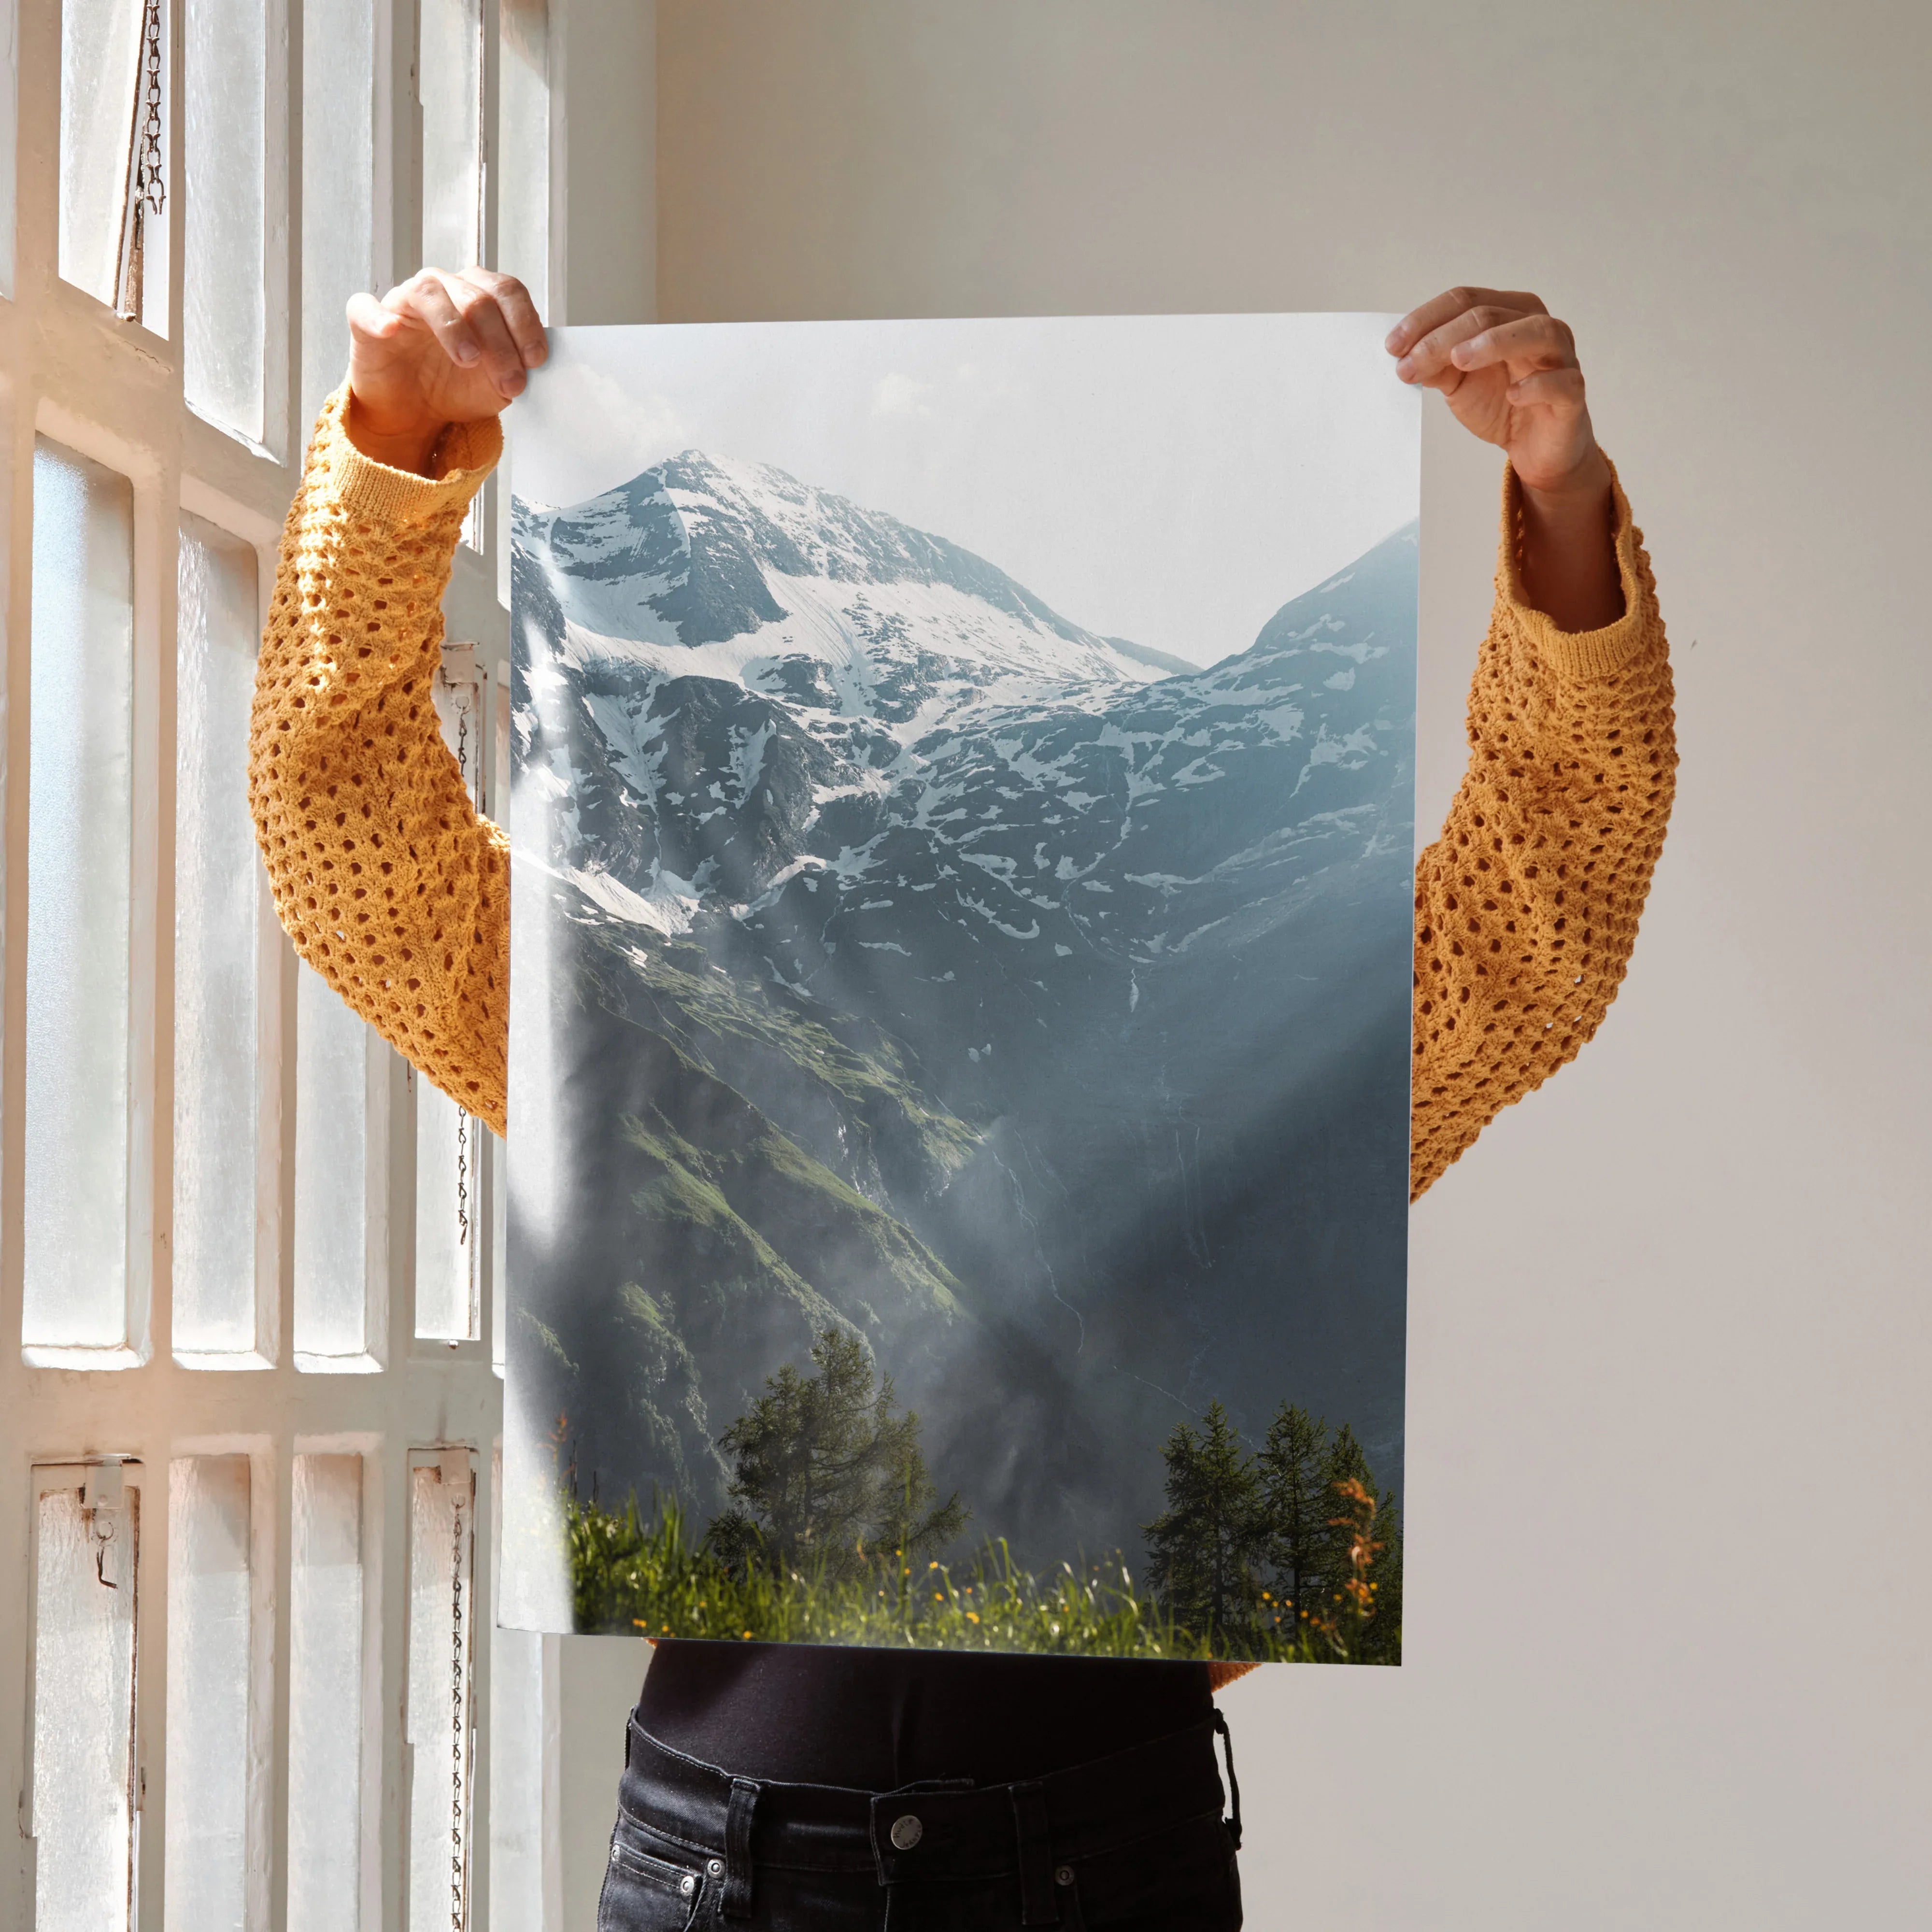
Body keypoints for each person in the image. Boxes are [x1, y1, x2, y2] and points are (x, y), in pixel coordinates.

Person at [250, 270, 1675, 1930]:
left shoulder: (1264, 1065)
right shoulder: (644, 1026)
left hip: (1090, 1854)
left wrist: (1561, 496)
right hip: (738, 1866)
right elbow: (348, 843)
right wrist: (392, 443)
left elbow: (1545, 902)